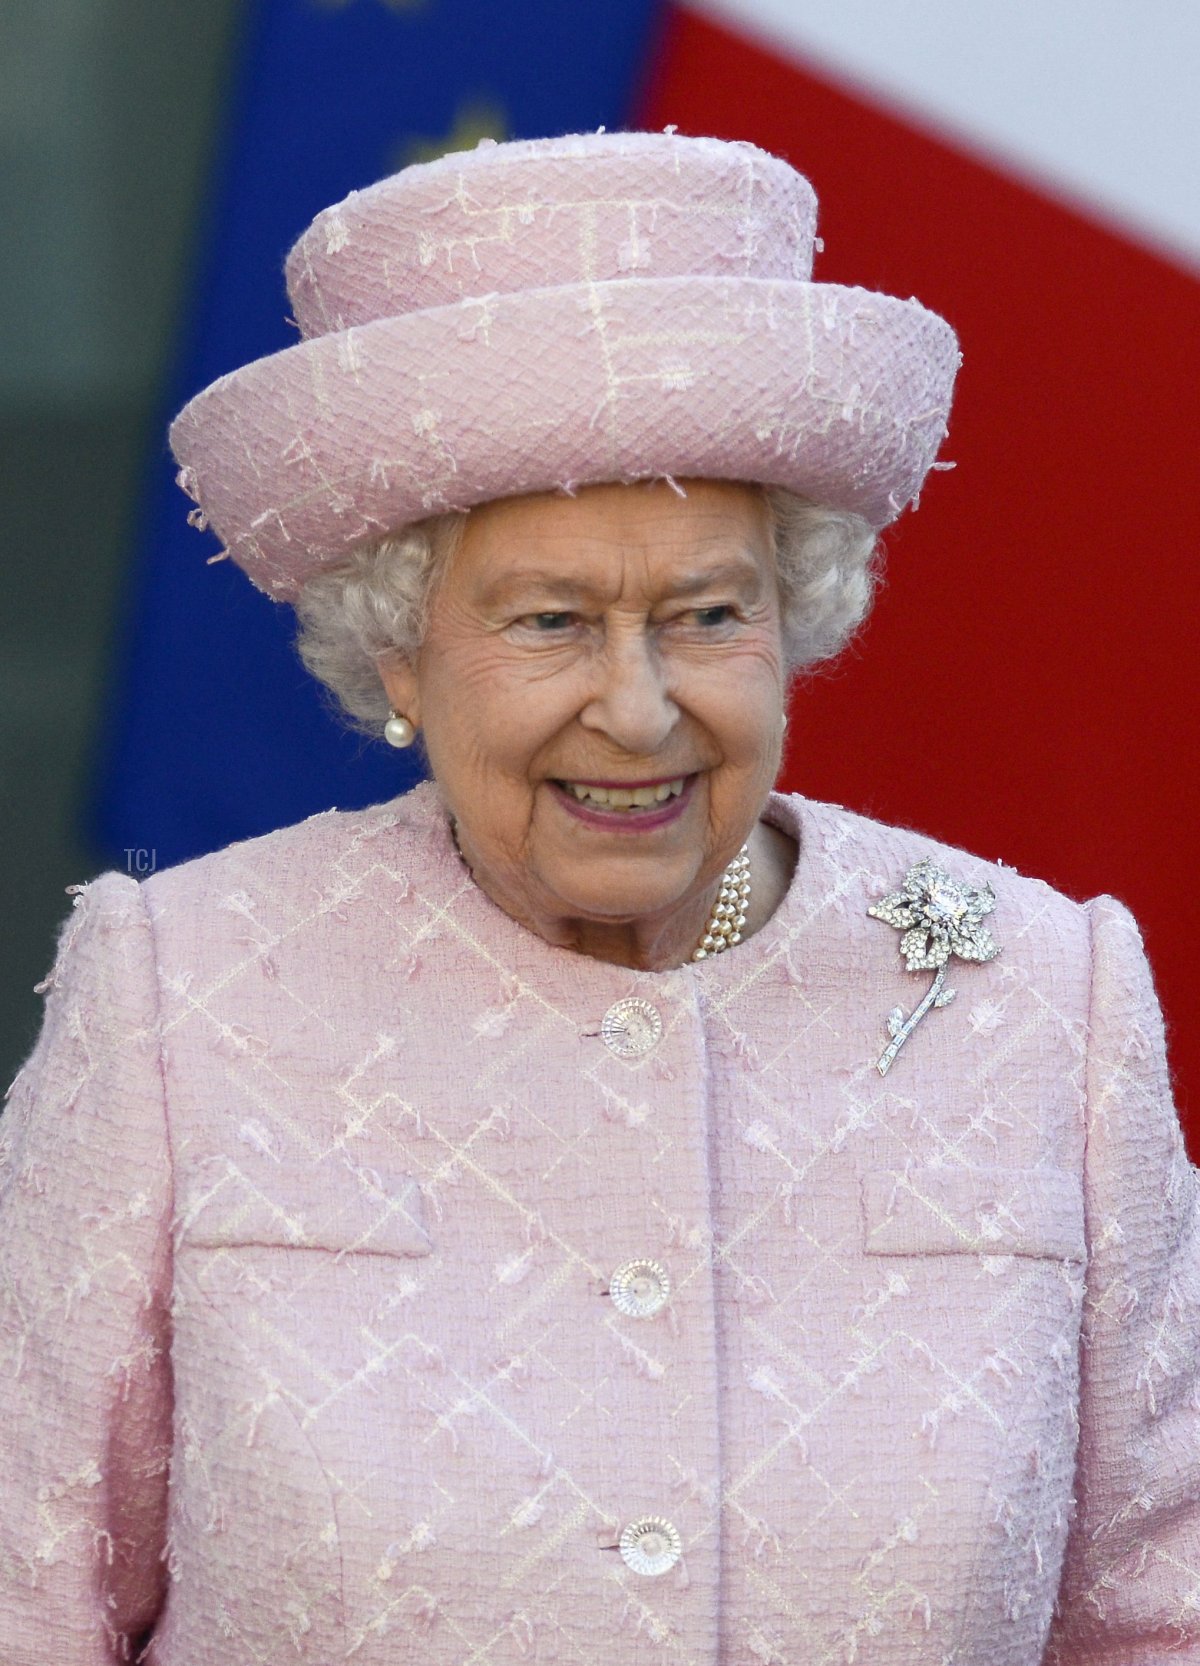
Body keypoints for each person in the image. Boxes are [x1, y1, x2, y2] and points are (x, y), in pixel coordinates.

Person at [1, 130, 1197, 1666]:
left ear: (796, 614)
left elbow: (1160, 1617)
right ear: (400, 651)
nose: (637, 712)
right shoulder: (183, 996)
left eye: (707, 613)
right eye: (551, 620)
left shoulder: (1041, 994)